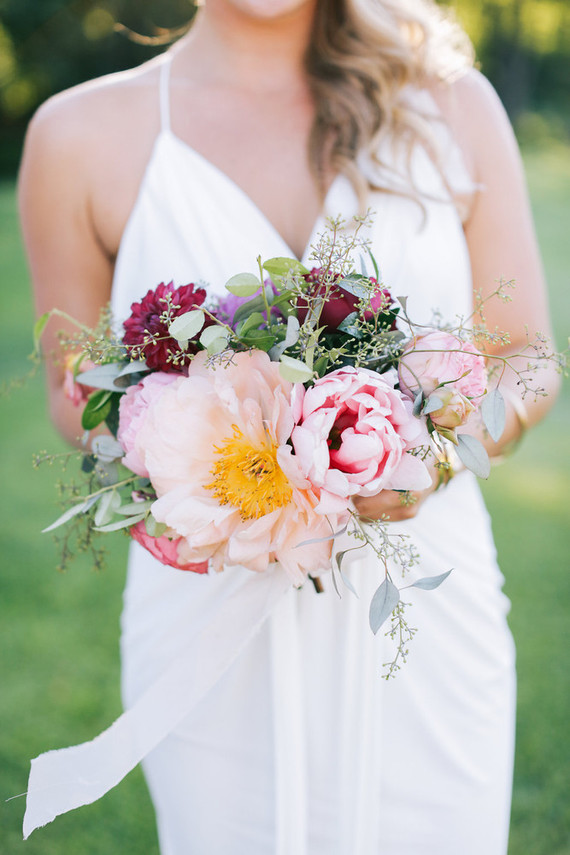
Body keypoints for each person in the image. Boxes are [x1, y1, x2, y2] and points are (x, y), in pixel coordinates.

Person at [18, 1, 560, 853]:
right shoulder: (81, 133)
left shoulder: (451, 105)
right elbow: (72, 390)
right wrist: (204, 464)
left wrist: (437, 450)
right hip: (208, 633)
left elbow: (530, 354)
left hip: (421, 635)